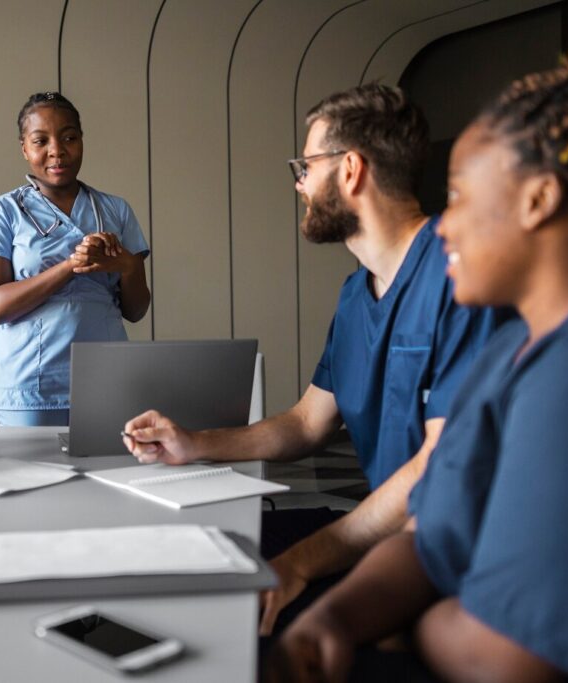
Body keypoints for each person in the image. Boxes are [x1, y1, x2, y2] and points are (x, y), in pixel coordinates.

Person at [269, 1, 568, 681]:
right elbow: (431, 536)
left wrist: (397, 631)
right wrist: (338, 616)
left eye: (462, 198)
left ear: (538, 199)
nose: (444, 228)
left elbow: (513, 658)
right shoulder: (513, 352)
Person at [123, 83, 499, 634]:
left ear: (350, 170)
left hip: (449, 568)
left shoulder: (458, 275)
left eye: (306, 165)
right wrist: (195, 443)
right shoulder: (355, 295)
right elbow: (307, 423)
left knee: (229, 618)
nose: (299, 183)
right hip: (382, 536)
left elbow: (439, 468)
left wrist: (298, 564)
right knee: (188, 560)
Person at [0, 92, 151, 427]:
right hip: (30, 385)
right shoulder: (4, 211)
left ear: (82, 141)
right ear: (24, 148)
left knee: (108, 476)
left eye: (69, 137)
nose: (57, 150)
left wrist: (127, 266)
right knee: (32, 479)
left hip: (107, 381)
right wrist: (71, 266)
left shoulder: (115, 210)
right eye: (41, 140)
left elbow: (136, 310)